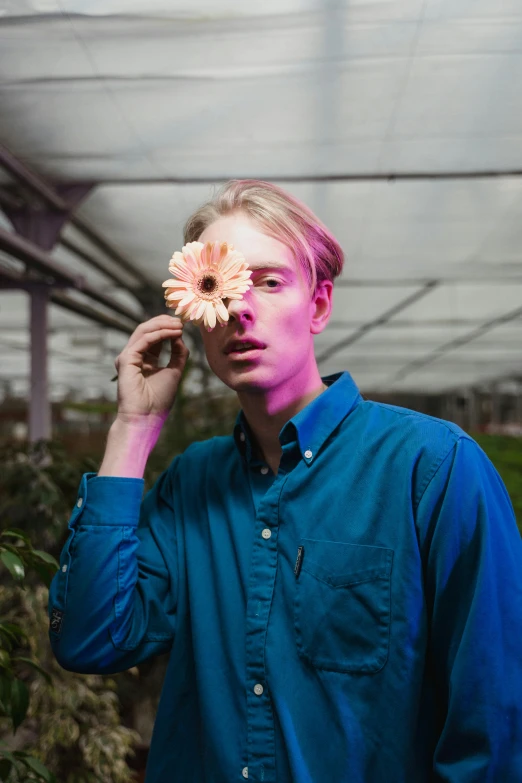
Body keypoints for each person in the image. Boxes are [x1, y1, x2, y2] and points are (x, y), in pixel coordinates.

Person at [48, 180, 522, 783]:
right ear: (198, 310)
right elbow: (90, 641)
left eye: (269, 282)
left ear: (319, 305)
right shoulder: (193, 483)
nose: (241, 308)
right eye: (217, 285)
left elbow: (493, 726)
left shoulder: (433, 468)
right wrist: (133, 430)